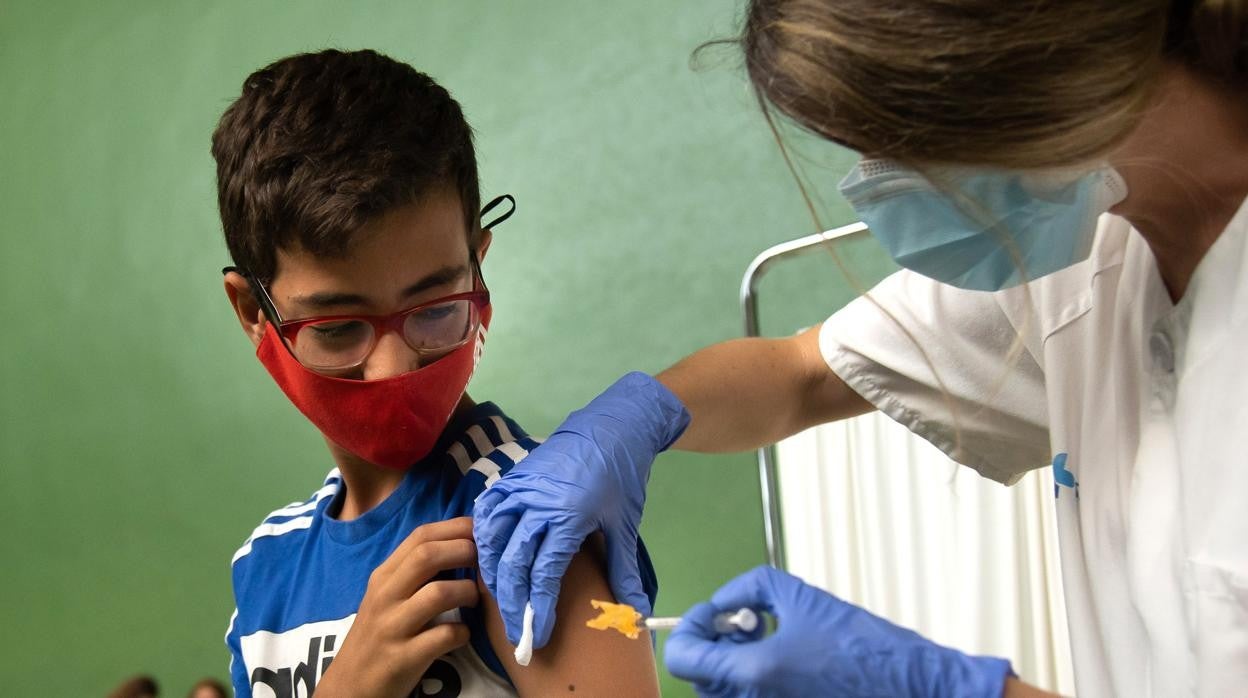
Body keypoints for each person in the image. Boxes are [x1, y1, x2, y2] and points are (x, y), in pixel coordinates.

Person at [473, 1, 1248, 696]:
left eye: (896, 142)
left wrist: (946, 690)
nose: (881, 181)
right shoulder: (1083, 251)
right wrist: (634, 419)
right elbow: (804, 374)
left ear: (1015, 75)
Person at [213, 49, 660, 697]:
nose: (394, 369)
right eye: (338, 328)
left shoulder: (528, 526)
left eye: (435, 309)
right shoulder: (266, 564)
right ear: (255, 313)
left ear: (477, 265)